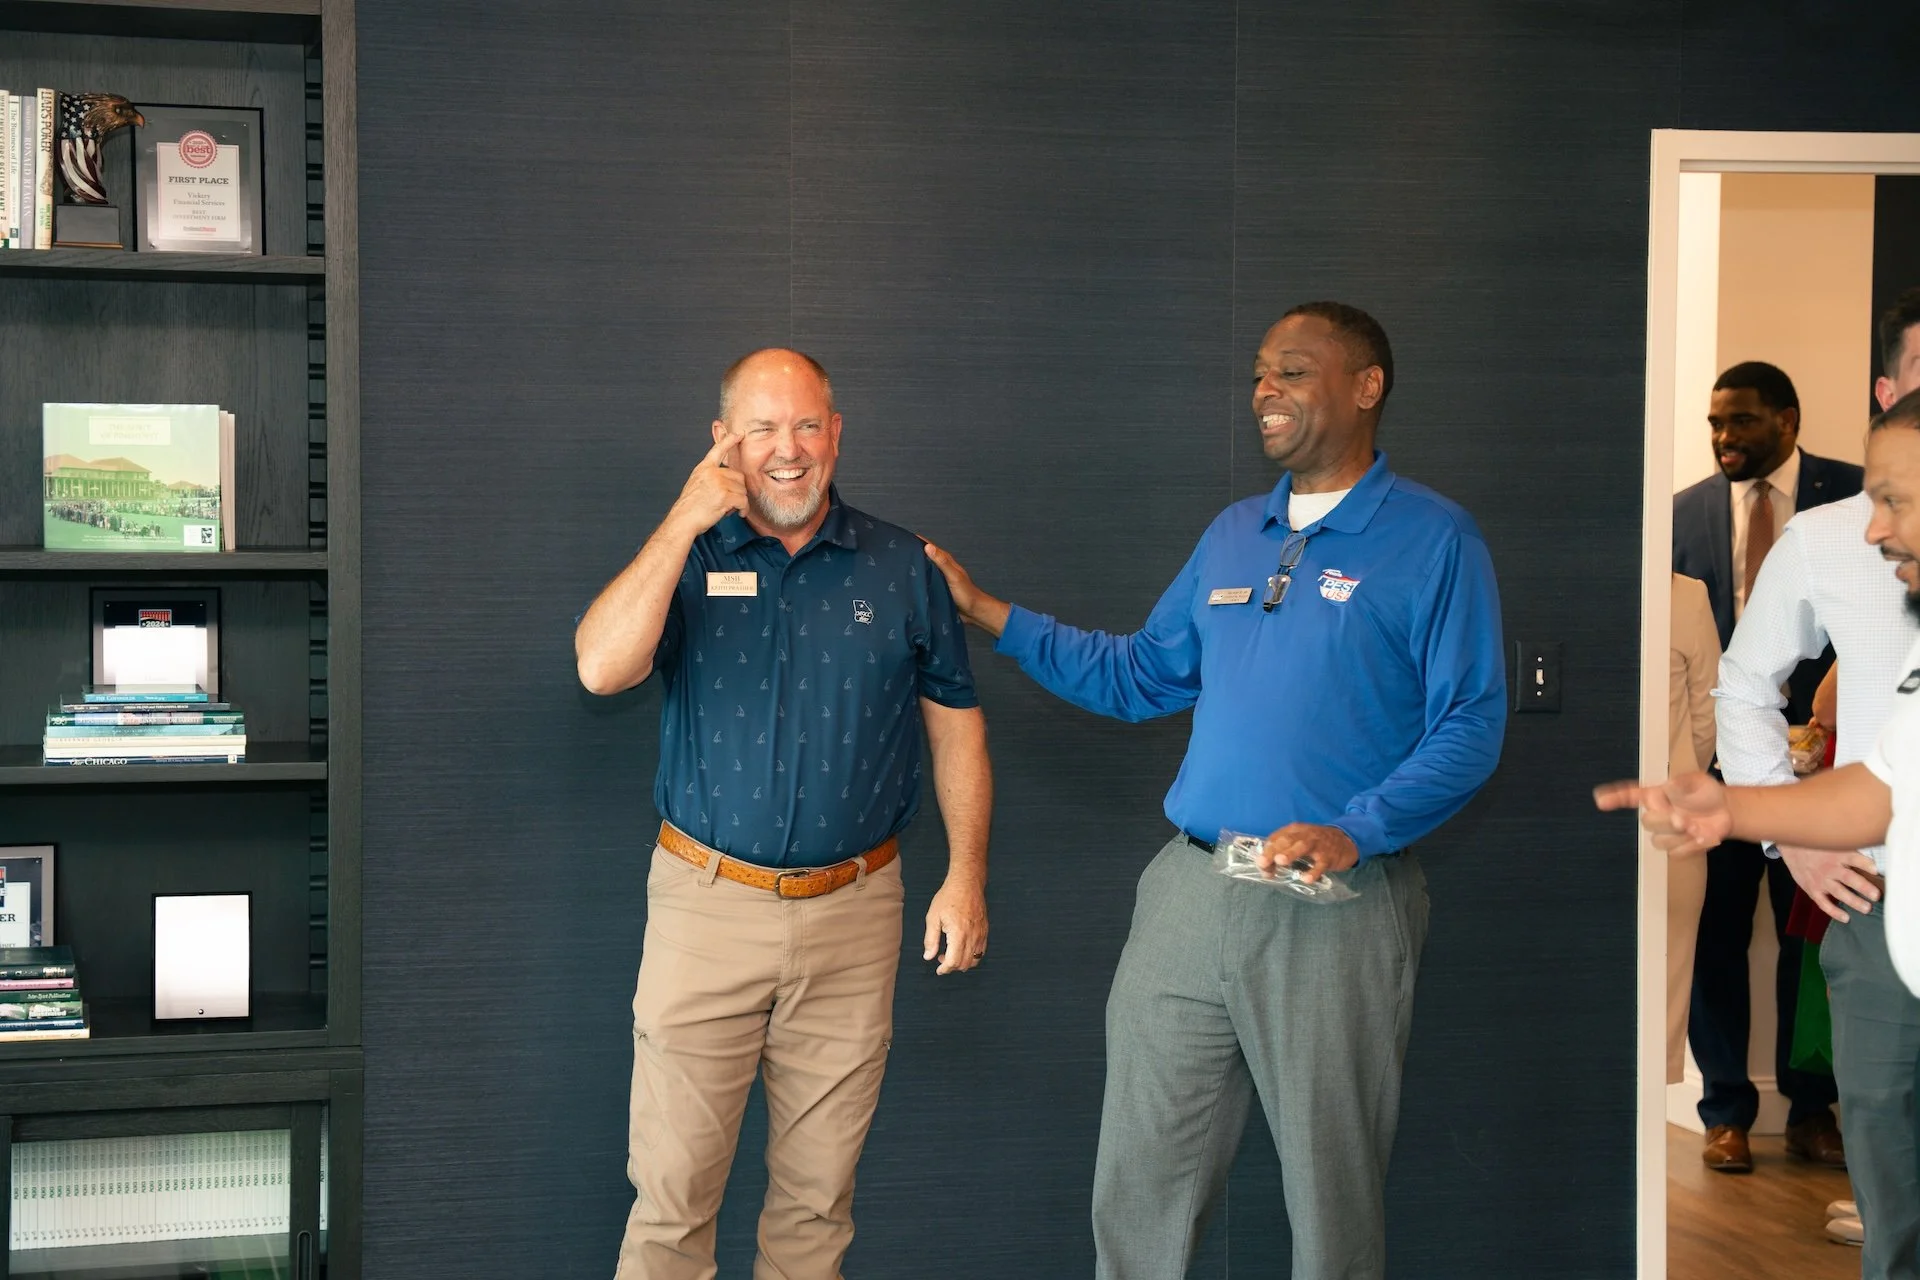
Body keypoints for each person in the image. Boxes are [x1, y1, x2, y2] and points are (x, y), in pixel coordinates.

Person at [924, 302, 1506, 1280]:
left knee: (1331, 1189)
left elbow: (1471, 725)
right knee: (1141, 1174)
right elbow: (1142, 673)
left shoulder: (1434, 539)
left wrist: (1354, 831)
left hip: (1337, 905)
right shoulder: (1238, 533)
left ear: (1367, 385)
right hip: (1190, 891)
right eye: (1258, 375)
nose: (1265, 392)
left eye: (1292, 371)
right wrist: (988, 612)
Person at [575, 348, 993, 1280]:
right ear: (724, 440)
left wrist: (965, 877)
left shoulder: (900, 565)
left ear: (837, 435)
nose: (788, 450)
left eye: (807, 425)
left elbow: (957, 728)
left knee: (815, 1210)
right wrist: (685, 519)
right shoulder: (690, 555)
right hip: (706, 907)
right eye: (762, 428)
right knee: (673, 1201)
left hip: (856, 913)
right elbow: (601, 668)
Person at [1713, 289, 1920, 1274]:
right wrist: (1787, 836)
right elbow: (1745, 685)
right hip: (1877, 895)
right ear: (1887, 393)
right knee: (1894, 1186)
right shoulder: (1837, 536)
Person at [1600, 386, 1920, 1003]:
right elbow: (1884, 787)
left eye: (1895, 503)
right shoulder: (1714, 516)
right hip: (1865, 879)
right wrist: (1749, 810)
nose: (1874, 529)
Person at [1671, 360, 1860, 1171]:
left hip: (1827, 761)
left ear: (1787, 419)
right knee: (1717, 932)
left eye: (1740, 421)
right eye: (1714, 423)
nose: (1723, 438)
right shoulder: (1684, 513)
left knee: (1807, 933)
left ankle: (1810, 1104)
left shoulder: (1853, 499)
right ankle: (1725, 1110)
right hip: (1722, 760)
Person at [1669, 573, 1720, 1085]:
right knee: (1662, 999)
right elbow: (1707, 713)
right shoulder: (1685, 595)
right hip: (1670, 824)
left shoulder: (1689, 594)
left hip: (1672, 831)